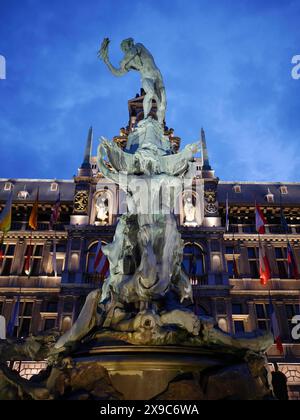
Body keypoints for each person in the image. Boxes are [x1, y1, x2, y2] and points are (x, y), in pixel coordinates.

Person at [98, 38, 166, 125]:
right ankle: (145, 118)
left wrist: (123, 61)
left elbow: (132, 52)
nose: (125, 51)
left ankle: (159, 126)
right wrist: (106, 61)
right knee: (151, 93)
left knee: (162, 105)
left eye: (125, 48)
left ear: (130, 44)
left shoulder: (139, 46)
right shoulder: (130, 63)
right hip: (146, 78)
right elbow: (118, 73)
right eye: (124, 50)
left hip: (158, 77)